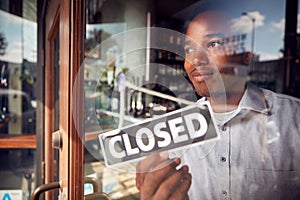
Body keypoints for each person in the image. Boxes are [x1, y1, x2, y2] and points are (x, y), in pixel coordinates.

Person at [135, 2, 300, 200]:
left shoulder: (294, 119)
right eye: (188, 49)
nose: (195, 59)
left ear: (247, 55)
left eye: (213, 44)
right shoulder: (176, 132)